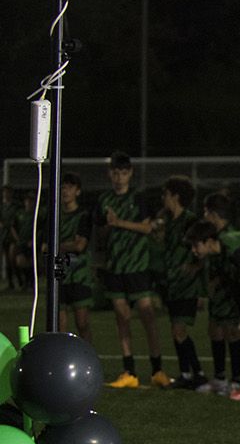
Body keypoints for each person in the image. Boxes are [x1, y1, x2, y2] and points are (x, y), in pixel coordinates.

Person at [100, 151, 169, 389]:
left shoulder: (139, 198)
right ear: (110, 174)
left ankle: (157, 369)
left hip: (138, 266)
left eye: (123, 173)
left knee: (148, 317)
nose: (119, 177)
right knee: (122, 318)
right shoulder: (104, 200)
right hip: (115, 267)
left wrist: (118, 222)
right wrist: (107, 227)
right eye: (115, 173)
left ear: (130, 173)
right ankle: (129, 371)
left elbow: (147, 228)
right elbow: (100, 232)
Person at [193, 194, 240, 398]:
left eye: (206, 212)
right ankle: (230, 379)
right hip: (239, 285)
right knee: (220, 328)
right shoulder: (218, 239)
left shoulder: (229, 240)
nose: (204, 216)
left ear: (214, 214)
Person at [153, 176, 207, 388]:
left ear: (175, 196)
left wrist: (195, 268)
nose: (163, 198)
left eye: (165, 194)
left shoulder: (190, 221)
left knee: (179, 329)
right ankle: (186, 374)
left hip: (187, 285)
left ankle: (198, 373)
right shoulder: (167, 220)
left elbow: (202, 249)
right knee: (176, 331)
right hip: (172, 283)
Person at [49, 173, 93, 339]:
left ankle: (87, 352)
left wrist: (57, 245)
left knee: (82, 323)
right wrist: (68, 245)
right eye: (63, 187)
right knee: (59, 325)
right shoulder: (54, 215)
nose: (65, 191)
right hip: (59, 274)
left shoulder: (83, 216)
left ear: (78, 191)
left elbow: (80, 245)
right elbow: (45, 245)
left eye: (70, 187)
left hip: (79, 275)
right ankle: (62, 354)